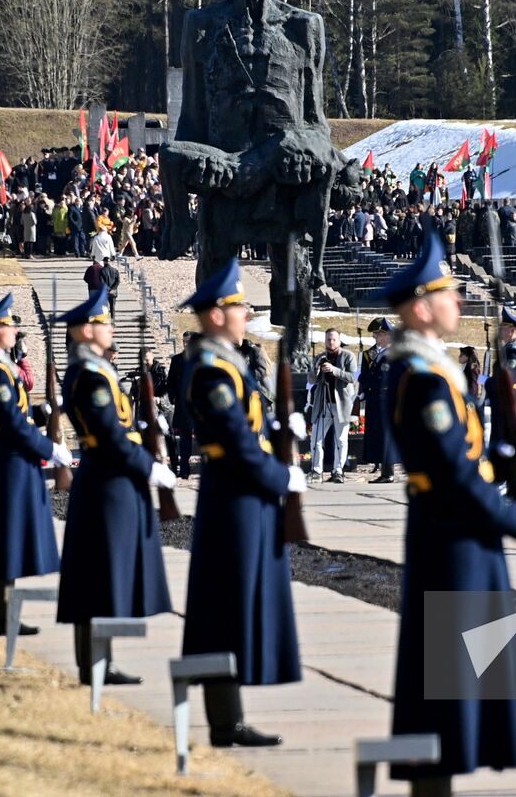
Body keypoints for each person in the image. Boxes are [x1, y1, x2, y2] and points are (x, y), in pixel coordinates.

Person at [378, 229, 516, 795]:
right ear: (421, 306)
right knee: (447, 697)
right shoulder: (425, 381)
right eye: (448, 292)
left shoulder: (434, 373)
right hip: (451, 543)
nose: (458, 300)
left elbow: (468, 461)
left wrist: (507, 453)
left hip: (460, 542)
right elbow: (454, 479)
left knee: (457, 693)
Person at [180, 258, 306, 748]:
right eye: (238, 305)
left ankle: (228, 718)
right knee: (224, 605)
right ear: (215, 314)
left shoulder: (229, 363)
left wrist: (280, 432)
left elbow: (249, 424)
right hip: (233, 495)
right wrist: (282, 475)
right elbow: (233, 439)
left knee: (232, 606)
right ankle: (223, 719)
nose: (246, 311)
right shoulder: (211, 370)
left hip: (243, 494)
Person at [54, 285, 174, 681]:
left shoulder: (98, 372)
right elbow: (107, 434)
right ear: (85, 331)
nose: (110, 328)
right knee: (95, 574)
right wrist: (147, 465)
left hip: (115, 480)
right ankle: (92, 664)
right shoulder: (87, 376)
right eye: (103, 322)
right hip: (106, 481)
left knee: (105, 574)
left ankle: (101, 660)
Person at [0, 295, 63, 636]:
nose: (15, 330)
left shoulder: (0, 366)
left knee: (9, 539)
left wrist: (45, 412)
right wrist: (49, 448)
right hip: (7, 459)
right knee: (5, 539)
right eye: (9, 325)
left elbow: (18, 414)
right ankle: (2, 616)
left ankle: (6, 614)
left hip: (12, 457)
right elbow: (8, 420)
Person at [309, 327, 357, 483]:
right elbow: (310, 380)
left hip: (341, 404)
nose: (331, 342)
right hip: (323, 403)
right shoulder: (320, 357)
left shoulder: (348, 356)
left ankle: (338, 471)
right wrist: (316, 370)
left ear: (339, 340)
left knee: (341, 439)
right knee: (316, 438)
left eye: (333, 339)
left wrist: (334, 370)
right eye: (328, 339)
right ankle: (316, 470)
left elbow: (352, 377)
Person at [359, 317, 396, 483]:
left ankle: (388, 473)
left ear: (387, 335)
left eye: (378, 335)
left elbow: (382, 379)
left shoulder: (390, 355)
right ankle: (385, 471)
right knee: (380, 436)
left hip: (383, 399)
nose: (375, 338)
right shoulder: (382, 353)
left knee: (385, 436)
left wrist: (361, 378)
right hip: (377, 399)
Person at [486, 306, 516, 446]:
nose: (500, 331)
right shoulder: (507, 349)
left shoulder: (513, 352)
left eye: (503, 328)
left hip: (510, 400)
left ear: (512, 330)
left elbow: (508, 379)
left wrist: (487, 382)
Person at [166, 332, 196, 479]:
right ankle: (184, 469)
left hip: (199, 406)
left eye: (189, 341)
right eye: (184, 341)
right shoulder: (177, 360)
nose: (186, 344)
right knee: (185, 439)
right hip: (183, 405)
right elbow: (170, 381)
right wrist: (173, 397)